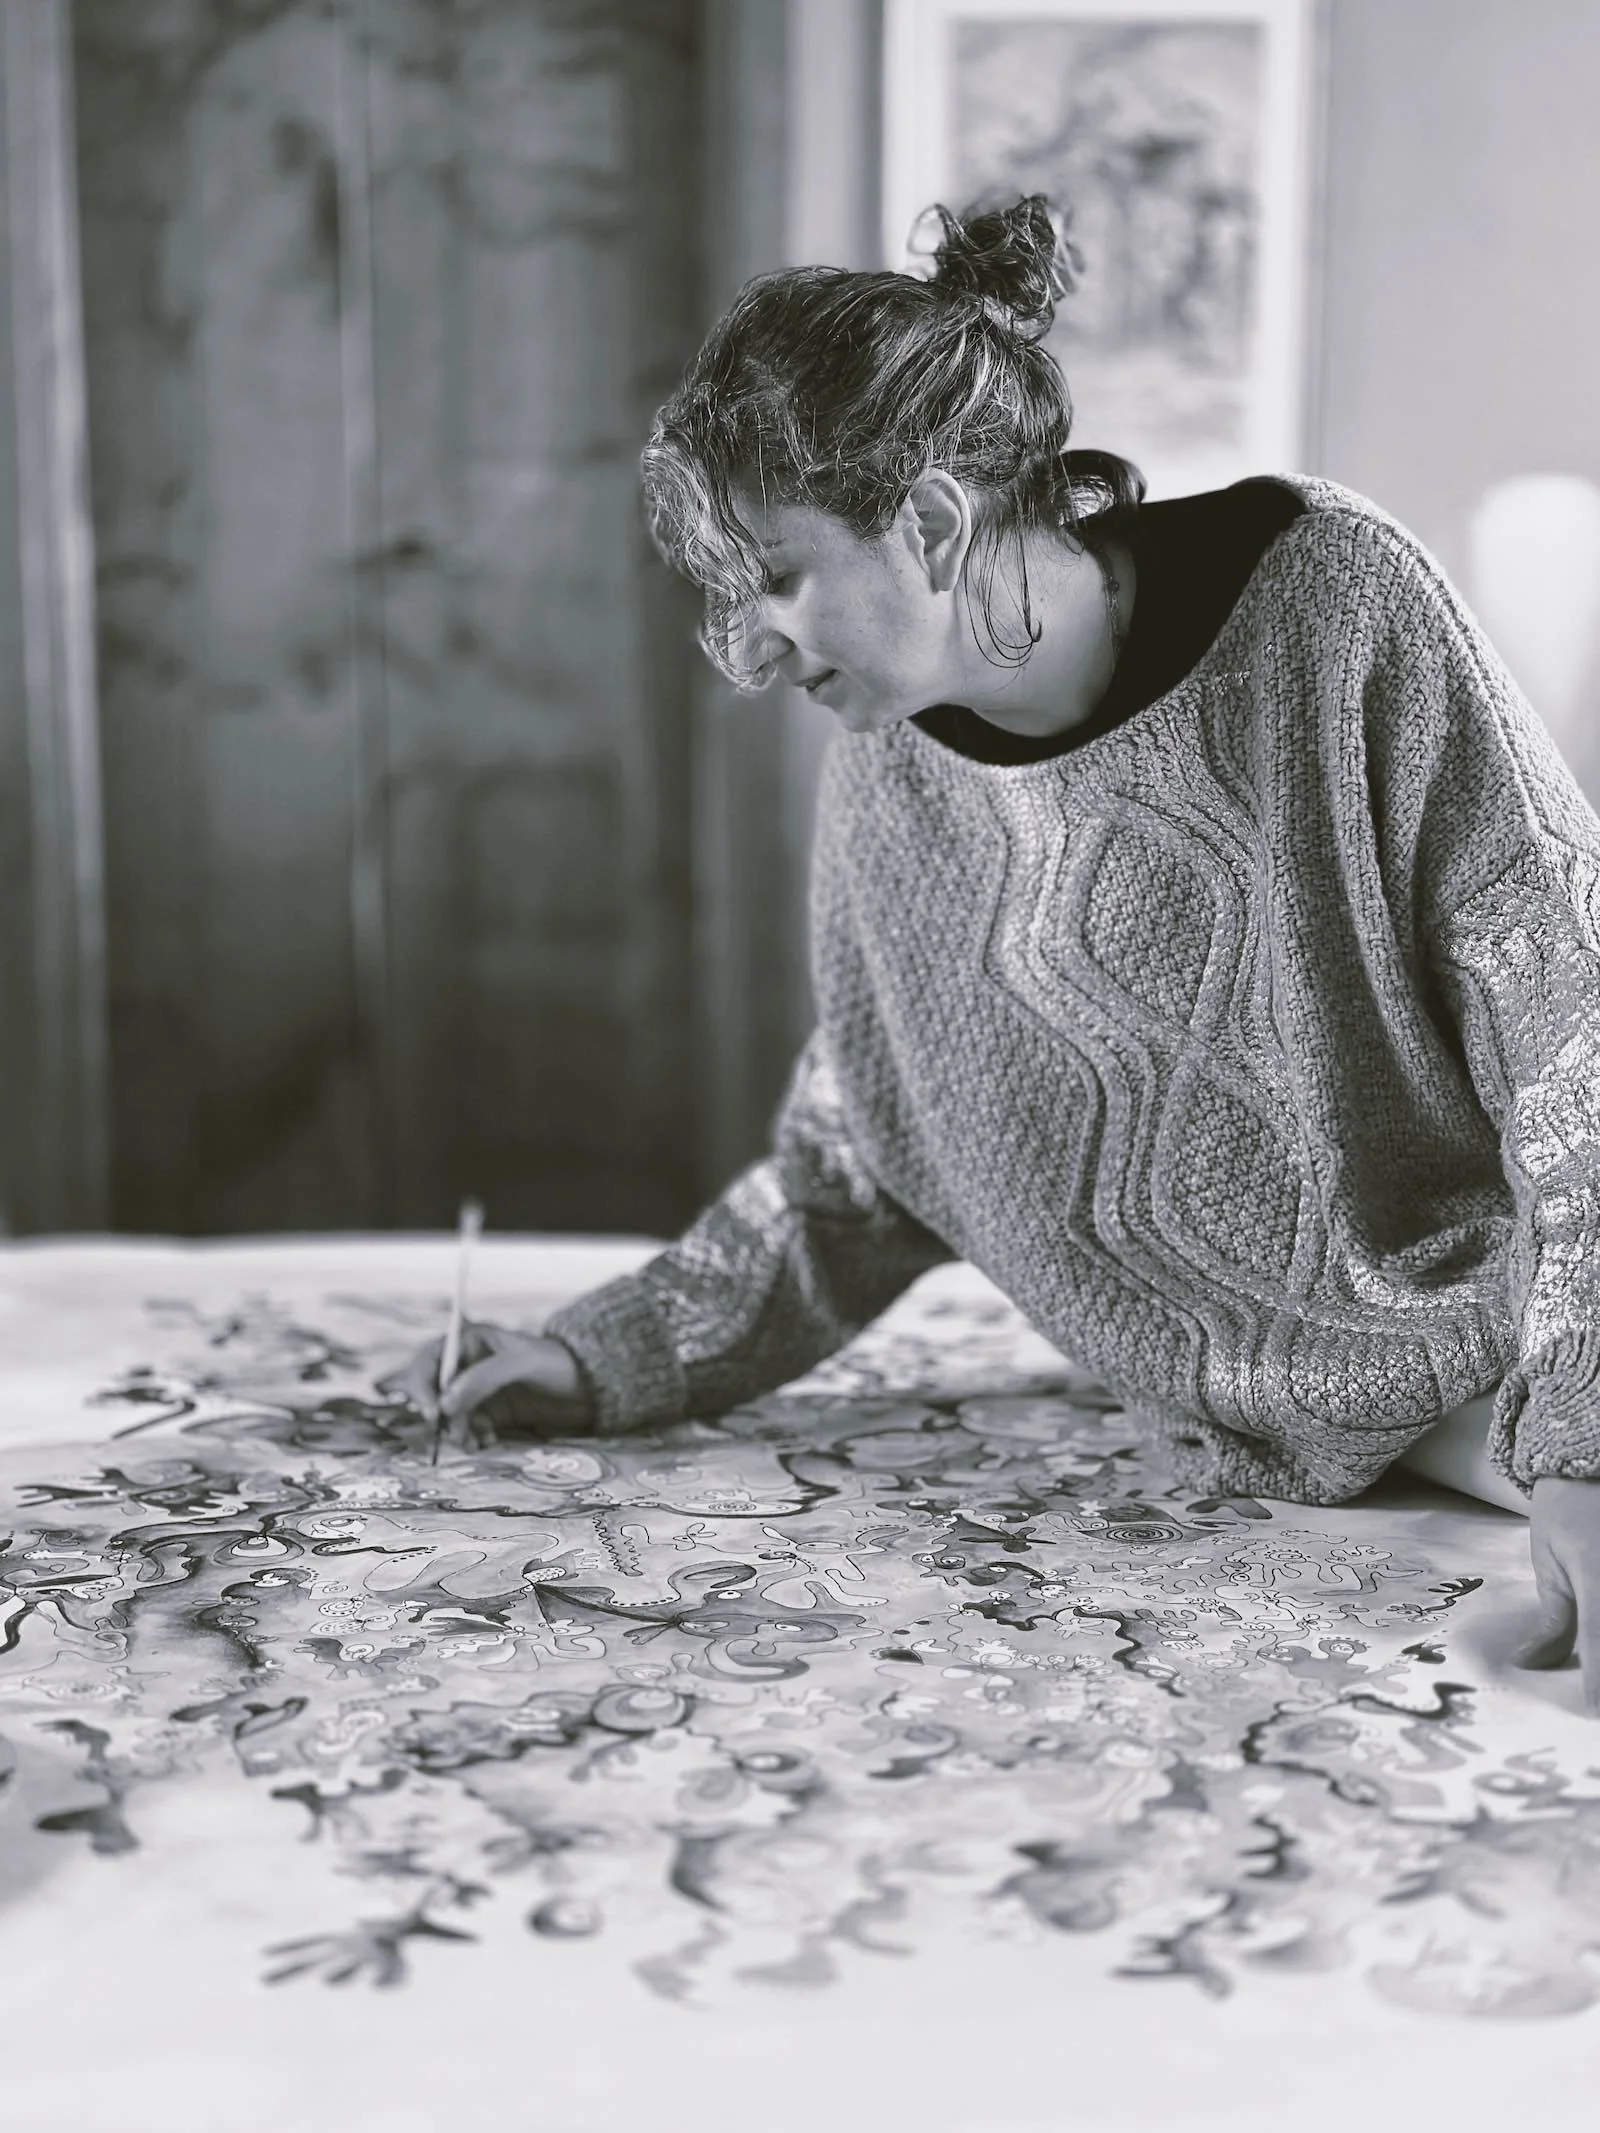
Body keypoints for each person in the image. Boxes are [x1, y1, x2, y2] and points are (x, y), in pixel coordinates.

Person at [393, 195, 1600, 1710]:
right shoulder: (884, 777)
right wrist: (609, 1358)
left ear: (938, 523)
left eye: (776, 577)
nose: (750, 653)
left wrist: (1581, 1438)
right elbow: (861, 1165)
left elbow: (1576, 1028)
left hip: (1522, 1341)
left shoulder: (1335, 603)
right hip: (1284, 1430)